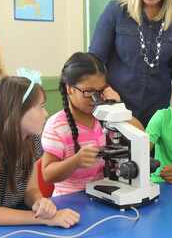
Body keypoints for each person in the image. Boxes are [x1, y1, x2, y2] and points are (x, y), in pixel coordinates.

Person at [0, 74, 80, 228]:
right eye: (40, 107)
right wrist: (45, 219)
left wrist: (39, 202)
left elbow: (31, 189)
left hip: (14, 222)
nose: (46, 113)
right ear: (16, 111)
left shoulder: (31, 140)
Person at [41, 52, 142, 196]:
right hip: (69, 200)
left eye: (100, 91)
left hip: (102, 194)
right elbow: (47, 175)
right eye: (89, 92)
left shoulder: (106, 116)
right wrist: (75, 162)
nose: (95, 98)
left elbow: (141, 134)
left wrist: (118, 107)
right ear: (70, 89)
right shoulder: (57, 126)